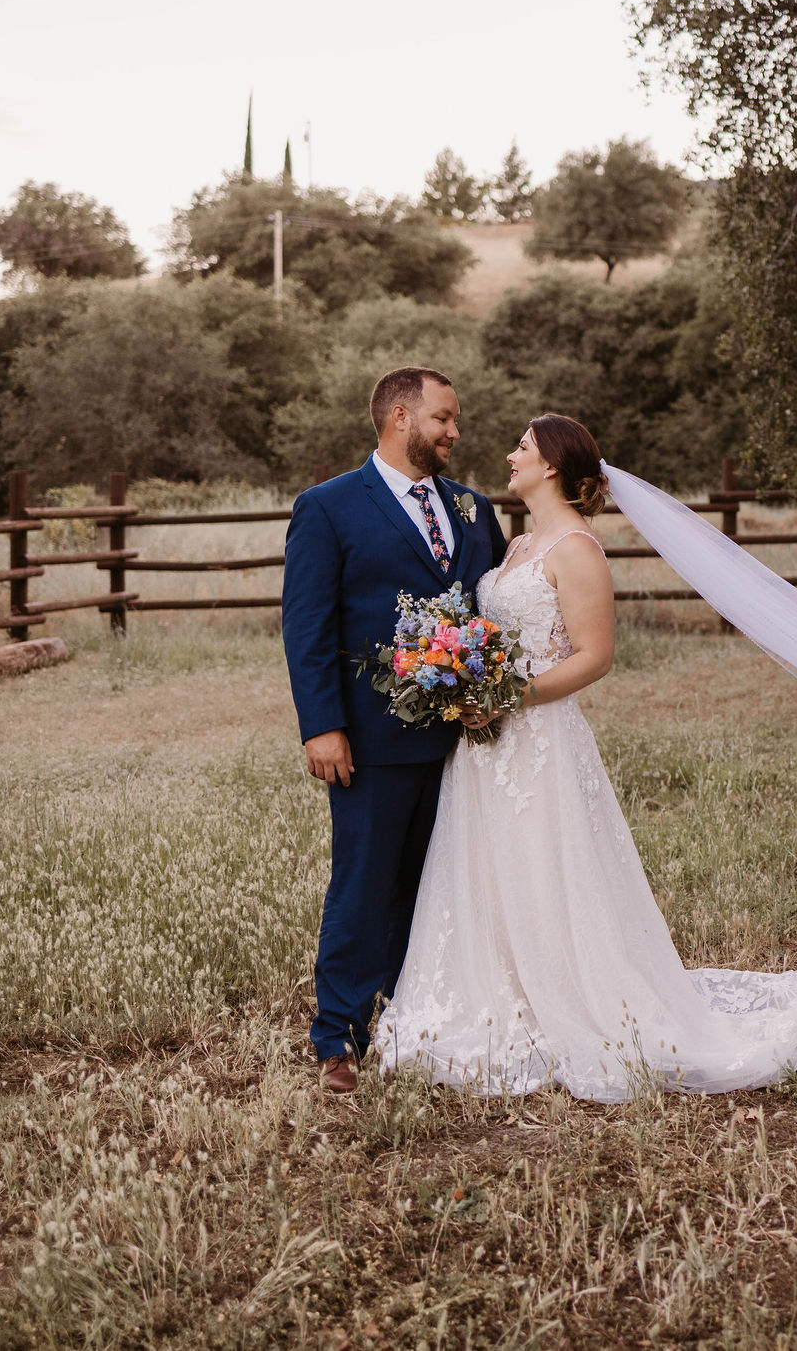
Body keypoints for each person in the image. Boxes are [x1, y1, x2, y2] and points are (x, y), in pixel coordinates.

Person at [375, 414, 797, 1100]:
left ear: (554, 466)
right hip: (484, 744)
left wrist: (509, 696)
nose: (510, 456)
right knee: (493, 865)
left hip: (538, 738)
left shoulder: (576, 548)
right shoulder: (518, 545)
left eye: (523, 449)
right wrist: (463, 683)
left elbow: (595, 657)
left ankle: (573, 999)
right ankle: (504, 995)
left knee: (546, 865)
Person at [281, 367, 508, 1093]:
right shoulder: (329, 508)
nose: (455, 432)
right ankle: (339, 1041)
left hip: (468, 744)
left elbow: (495, 612)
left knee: (443, 884)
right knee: (365, 883)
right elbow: (307, 625)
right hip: (372, 739)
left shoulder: (473, 509)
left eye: (456, 420)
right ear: (401, 417)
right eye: (444, 418)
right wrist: (323, 726)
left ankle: (415, 1018)